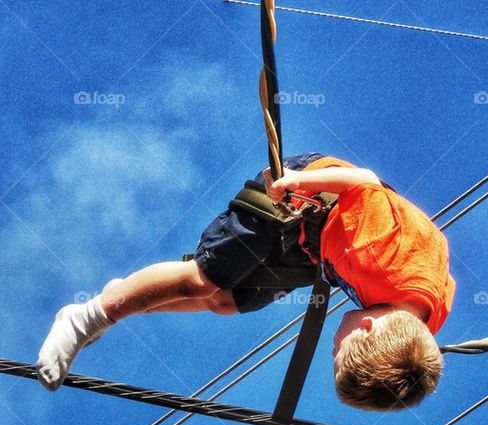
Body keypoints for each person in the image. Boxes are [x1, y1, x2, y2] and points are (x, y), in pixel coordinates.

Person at [36, 153, 456, 410]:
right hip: (306, 196)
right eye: (337, 351)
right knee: (203, 282)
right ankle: (85, 317)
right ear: (366, 326)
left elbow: (415, 355)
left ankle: (124, 299)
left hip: (313, 246)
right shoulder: (382, 259)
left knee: (226, 301)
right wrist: (297, 183)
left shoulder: (421, 321)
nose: (332, 347)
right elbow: (366, 181)